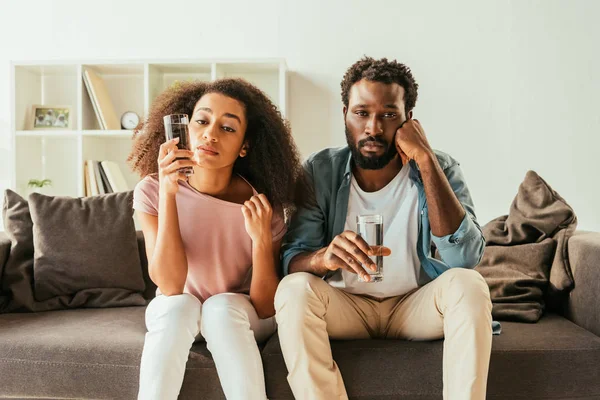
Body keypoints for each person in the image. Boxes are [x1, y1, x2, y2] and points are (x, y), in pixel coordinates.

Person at [275, 57, 493, 400]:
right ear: (345, 112)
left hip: (414, 305)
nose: (373, 127)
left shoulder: (441, 167)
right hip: (347, 306)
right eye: (361, 113)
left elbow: (465, 258)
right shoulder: (320, 170)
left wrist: (426, 161)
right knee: (293, 289)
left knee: (469, 283)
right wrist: (323, 257)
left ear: (409, 120)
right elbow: (291, 260)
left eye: (389, 115)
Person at [127, 78, 306, 400]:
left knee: (220, 308)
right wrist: (169, 194)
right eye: (202, 121)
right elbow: (169, 285)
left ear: (244, 146)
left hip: (238, 313)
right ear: (185, 127)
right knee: (178, 306)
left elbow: (266, 307)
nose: (210, 133)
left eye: (227, 128)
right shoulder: (152, 190)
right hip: (178, 310)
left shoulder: (262, 205)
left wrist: (261, 240)